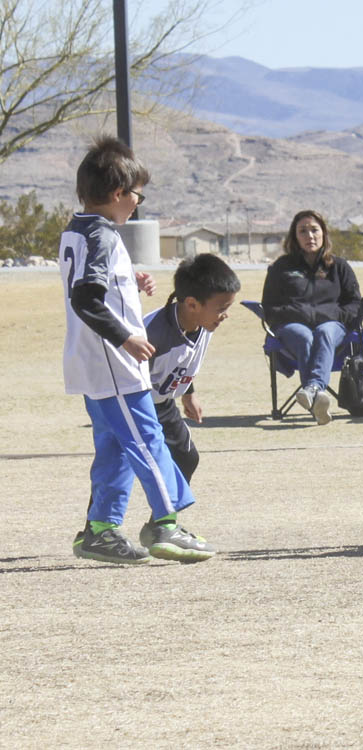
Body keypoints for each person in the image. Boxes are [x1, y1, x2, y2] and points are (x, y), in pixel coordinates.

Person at [61, 135, 214, 565]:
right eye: (137, 196)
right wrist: (125, 337)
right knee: (149, 441)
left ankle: (100, 529)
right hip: (113, 365)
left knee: (114, 446)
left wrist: (132, 280)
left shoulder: (79, 230)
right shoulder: (105, 238)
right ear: (117, 194)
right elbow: (87, 299)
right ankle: (166, 524)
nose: (137, 204)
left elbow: (95, 285)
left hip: (90, 366)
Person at [144, 253, 241, 482]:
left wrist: (188, 394)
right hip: (135, 406)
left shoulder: (202, 323)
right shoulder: (151, 335)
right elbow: (126, 381)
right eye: (221, 308)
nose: (225, 315)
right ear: (191, 304)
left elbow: (181, 362)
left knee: (186, 458)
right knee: (122, 468)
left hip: (162, 404)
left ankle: (163, 519)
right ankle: (97, 518)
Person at [262, 209, 362, 425]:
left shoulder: (339, 267)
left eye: (314, 230)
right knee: (304, 336)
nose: (310, 236)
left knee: (324, 331)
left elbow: (354, 303)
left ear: (324, 233)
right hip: (291, 327)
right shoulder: (281, 268)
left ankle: (312, 389)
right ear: (294, 237)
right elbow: (269, 307)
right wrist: (297, 315)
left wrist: (331, 315)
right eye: (303, 231)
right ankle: (317, 395)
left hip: (333, 327)